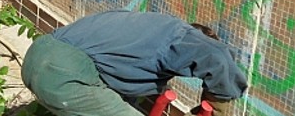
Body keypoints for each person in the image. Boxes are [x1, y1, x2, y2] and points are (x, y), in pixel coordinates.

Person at [21, 10, 248, 116]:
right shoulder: (181, 36)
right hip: (62, 70)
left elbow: (119, 86)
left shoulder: (150, 31)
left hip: (39, 54)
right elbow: (218, 57)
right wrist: (217, 108)